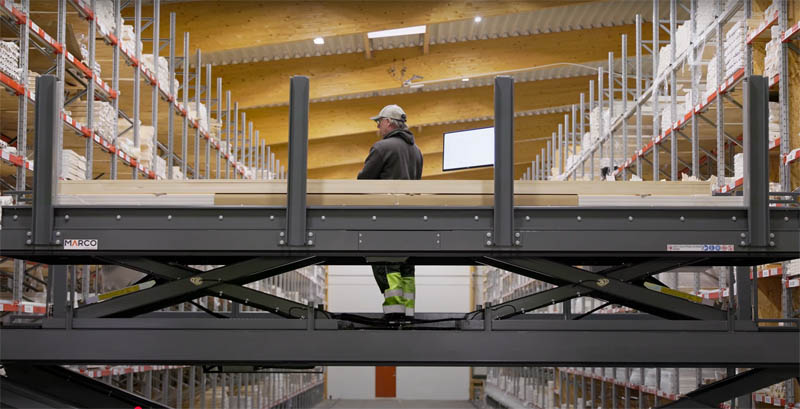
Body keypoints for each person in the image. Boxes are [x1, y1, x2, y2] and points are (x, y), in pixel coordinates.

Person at [358, 104, 423, 320]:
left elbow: (363, 183)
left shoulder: (381, 148)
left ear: (388, 122)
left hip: (384, 219)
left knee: (386, 262)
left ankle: (394, 312)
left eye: (379, 122)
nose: (378, 127)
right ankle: (408, 310)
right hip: (409, 221)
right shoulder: (417, 152)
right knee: (406, 265)